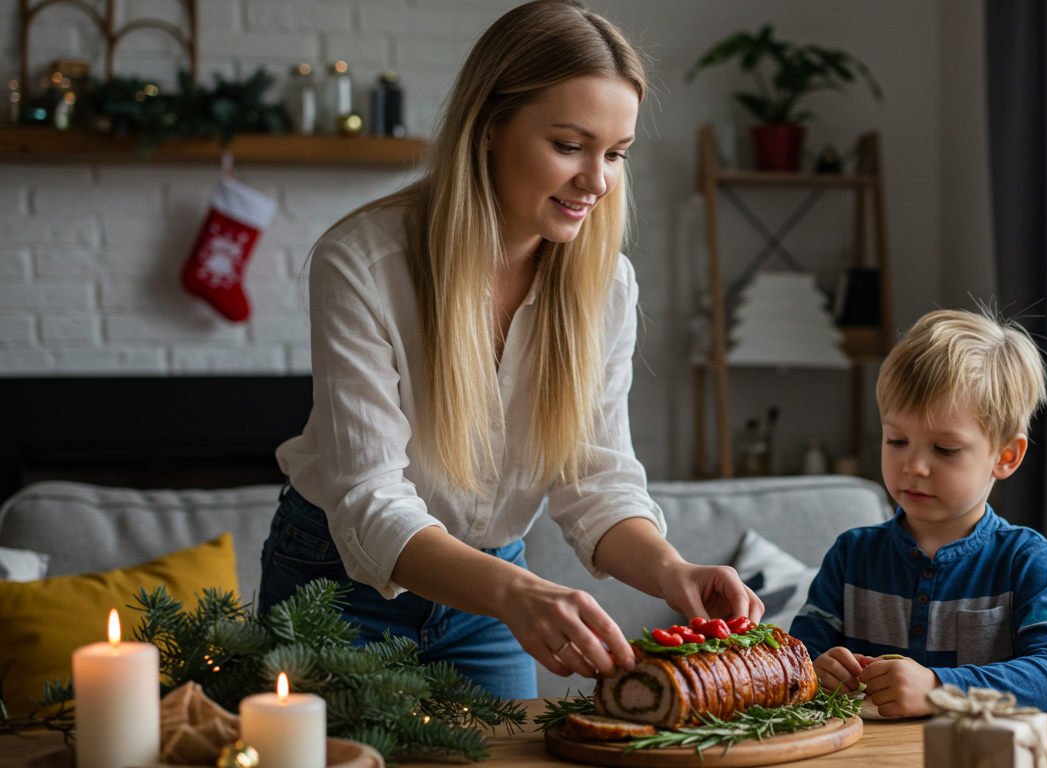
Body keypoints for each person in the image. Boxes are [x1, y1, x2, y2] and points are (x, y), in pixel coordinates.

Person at [259, 0, 761, 700]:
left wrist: (671, 571)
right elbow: (369, 498)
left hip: (489, 603)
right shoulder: (364, 262)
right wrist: (519, 594)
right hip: (337, 590)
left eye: (616, 153)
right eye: (570, 145)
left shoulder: (607, 284)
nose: (598, 181)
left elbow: (596, 481)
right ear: (490, 126)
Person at [789, 309, 1047, 715]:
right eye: (896, 440)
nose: (913, 467)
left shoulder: (1024, 559)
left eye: (944, 449)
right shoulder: (851, 556)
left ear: (1006, 456)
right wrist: (816, 672)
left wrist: (938, 687)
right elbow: (796, 662)